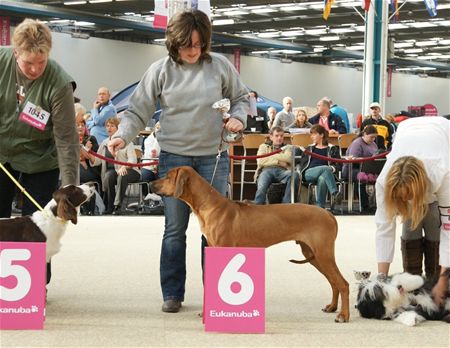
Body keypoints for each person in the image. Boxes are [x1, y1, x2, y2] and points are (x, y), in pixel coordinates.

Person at [107, 10, 248, 313]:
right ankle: (172, 293)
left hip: (214, 157)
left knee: (217, 230)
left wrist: (237, 118)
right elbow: (137, 111)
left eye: (199, 44)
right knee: (175, 228)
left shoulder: (220, 66)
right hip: (174, 158)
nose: (194, 51)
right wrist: (122, 136)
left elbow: (241, 98)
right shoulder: (160, 70)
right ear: (174, 44)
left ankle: (220, 293)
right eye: (187, 45)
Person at [0, 19, 79, 285]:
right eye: (28, 63)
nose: (35, 69)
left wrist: (69, 185)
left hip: (41, 160)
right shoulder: (1, 64)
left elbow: (67, 140)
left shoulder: (59, 82)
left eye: (41, 62)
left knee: (39, 229)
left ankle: (35, 289)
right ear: (15, 53)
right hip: (1, 156)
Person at [374, 117, 449, 307]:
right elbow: (384, 228)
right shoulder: (383, 183)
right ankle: (413, 281)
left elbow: (448, 231)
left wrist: (442, 281)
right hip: (407, 128)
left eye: (409, 196)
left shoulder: (444, 173)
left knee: (434, 220)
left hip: (443, 132)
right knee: (409, 228)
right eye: (401, 198)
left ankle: (433, 278)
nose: (406, 202)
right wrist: (381, 279)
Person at [88, 117, 140, 215]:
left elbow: (132, 160)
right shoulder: (104, 143)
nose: (109, 128)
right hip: (113, 172)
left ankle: (118, 206)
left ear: (118, 128)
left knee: (122, 175)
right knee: (108, 176)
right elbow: (97, 160)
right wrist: (88, 152)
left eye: (112, 126)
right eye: (107, 126)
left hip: (131, 170)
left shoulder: (126, 141)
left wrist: (124, 167)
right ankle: (110, 206)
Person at [298, 124, 342, 210]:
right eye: (311, 134)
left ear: (321, 135)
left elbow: (339, 164)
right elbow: (303, 164)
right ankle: (335, 192)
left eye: (314, 134)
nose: (312, 136)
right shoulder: (309, 148)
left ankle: (320, 208)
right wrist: (329, 168)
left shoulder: (332, 148)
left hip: (326, 175)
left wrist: (333, 169)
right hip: (309, 173)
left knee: (322, 178)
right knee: (325, 168)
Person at [254, 126, 299, 204]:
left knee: (294, 174)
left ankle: (286, 204)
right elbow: (260, 161)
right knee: (262, 186)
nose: (279, 138)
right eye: (277, 135)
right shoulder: (263, 146)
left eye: (281, 136)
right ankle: (258, 205)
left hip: (283, 171)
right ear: (271, 137)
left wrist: (269, 156)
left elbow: (288, 158)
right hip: (267, 170)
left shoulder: (287, 147)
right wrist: (279, 162)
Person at [342, 125, 378, 213]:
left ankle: (375, 204)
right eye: (371, 137)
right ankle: (364, 206)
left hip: (368, 169)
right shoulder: (357, 143)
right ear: (365, 134)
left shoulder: (373, 144)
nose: (373, 139)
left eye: (374, 137)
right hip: (353, 170)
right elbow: (353, 160)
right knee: (362, 178)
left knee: (381, 179)